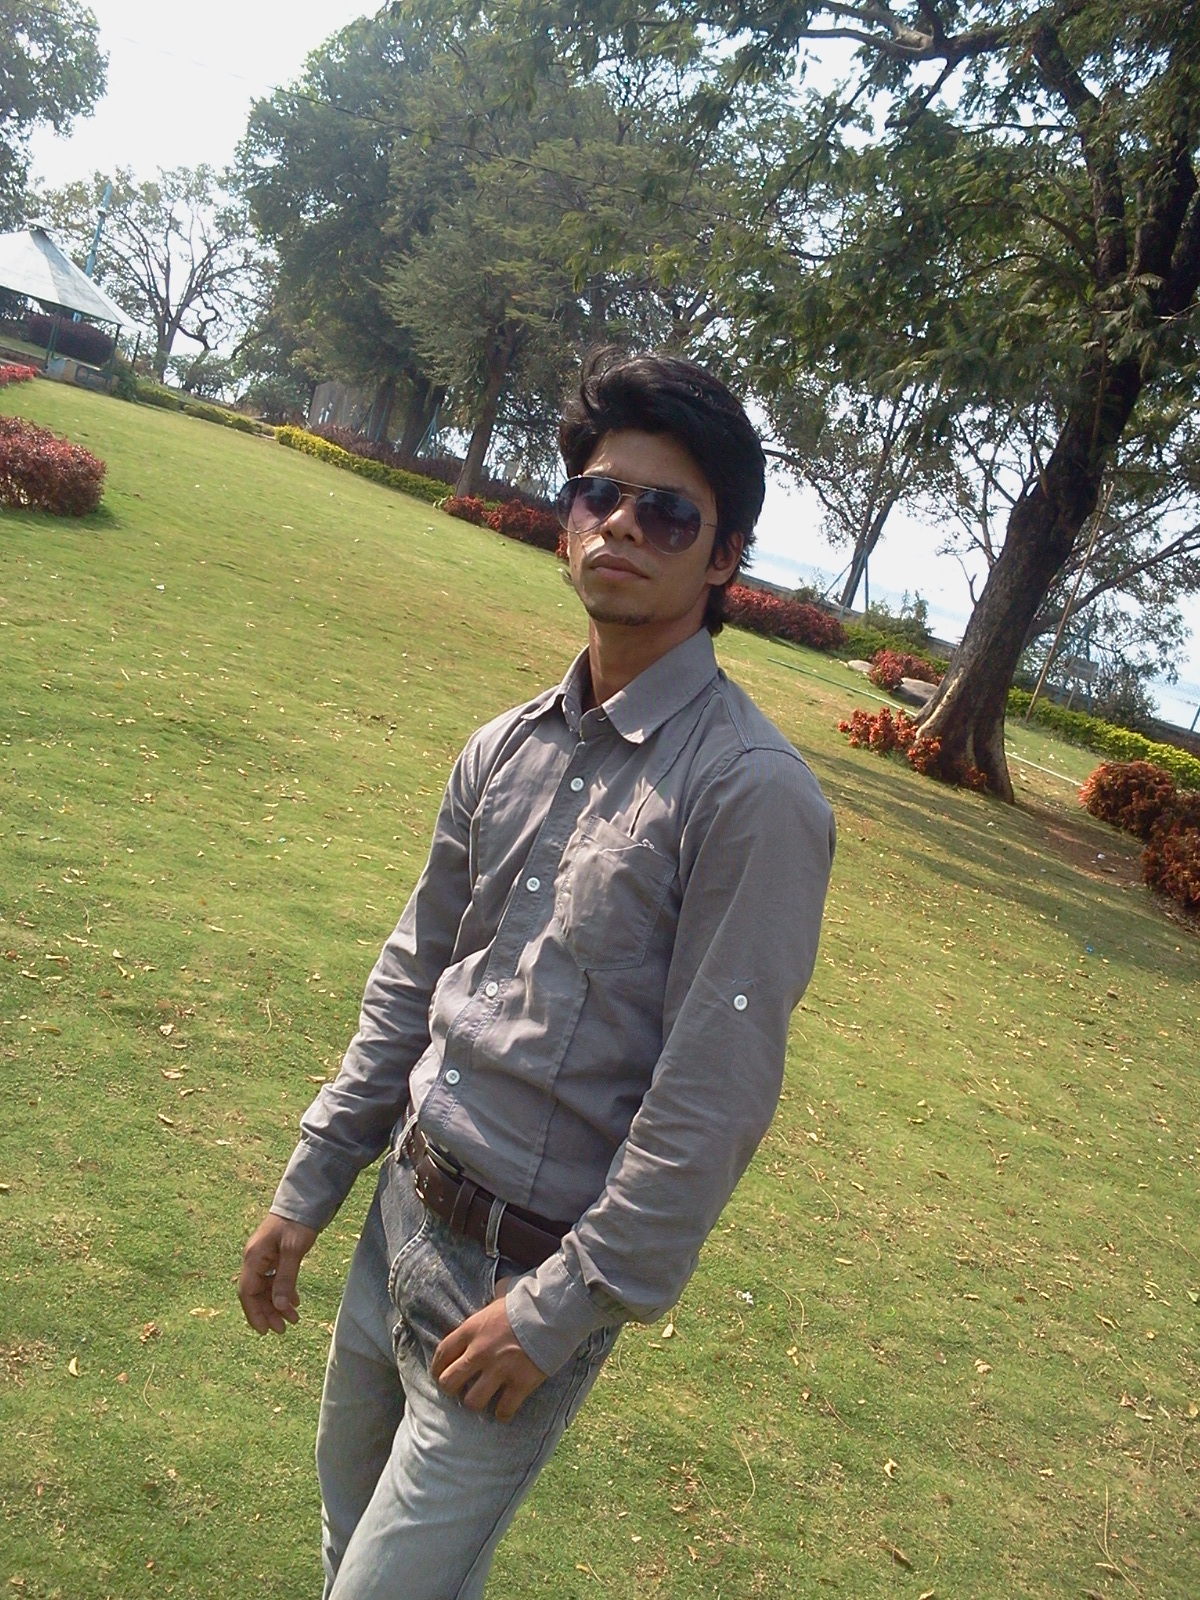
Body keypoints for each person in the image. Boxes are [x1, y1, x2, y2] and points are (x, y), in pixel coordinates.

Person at [238, 349, 836, 1599]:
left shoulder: (750, 796)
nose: (621, 525)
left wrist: (560, 1308)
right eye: (599, 495)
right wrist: (311, 1182)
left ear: (724, 559)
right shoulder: (503, 747)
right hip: (399, 1216)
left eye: (667, 512)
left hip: (517, 1289)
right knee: (345, 1547)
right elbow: (413, 979)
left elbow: (710, 1099)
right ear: (567, 520)